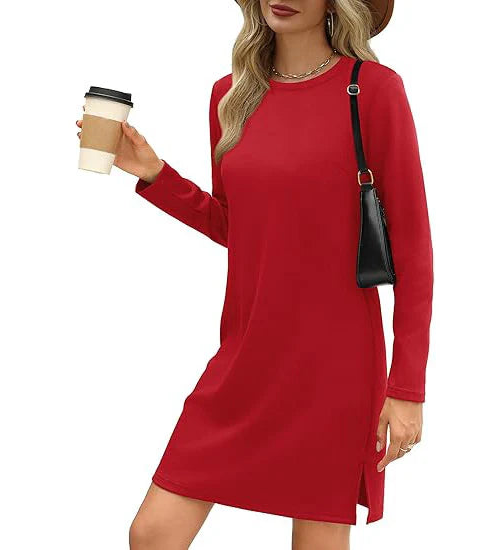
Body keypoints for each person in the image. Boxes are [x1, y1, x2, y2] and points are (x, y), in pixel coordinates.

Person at [76, 1, 433, 548]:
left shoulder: (373, 90)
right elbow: (237, 227)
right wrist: (155, 174)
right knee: (152, 533)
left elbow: (413, 251)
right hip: (245, 353)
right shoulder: (230, 95)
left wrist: (406, 388)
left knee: (316, 540)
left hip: (334, 363)